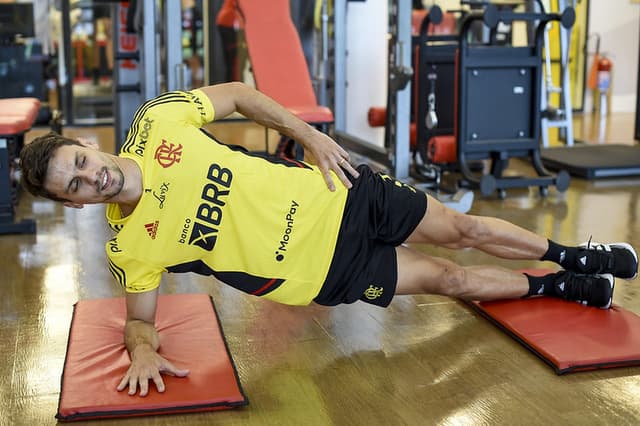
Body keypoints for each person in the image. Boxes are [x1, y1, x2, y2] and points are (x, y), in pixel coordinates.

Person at [20, 82, 638, 397]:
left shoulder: (156, 122)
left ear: (87, 144)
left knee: (463, 228)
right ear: (70, 205)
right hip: (322, 274)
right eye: (71, 187)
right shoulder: (130, 247)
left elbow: (236, 95)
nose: (87, 178)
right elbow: (138, 319)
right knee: (450, 281)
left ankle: (568, 254)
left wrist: (309, 137)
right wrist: (143, 351)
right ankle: (563, 284)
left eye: (78, 162)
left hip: (338, 193)